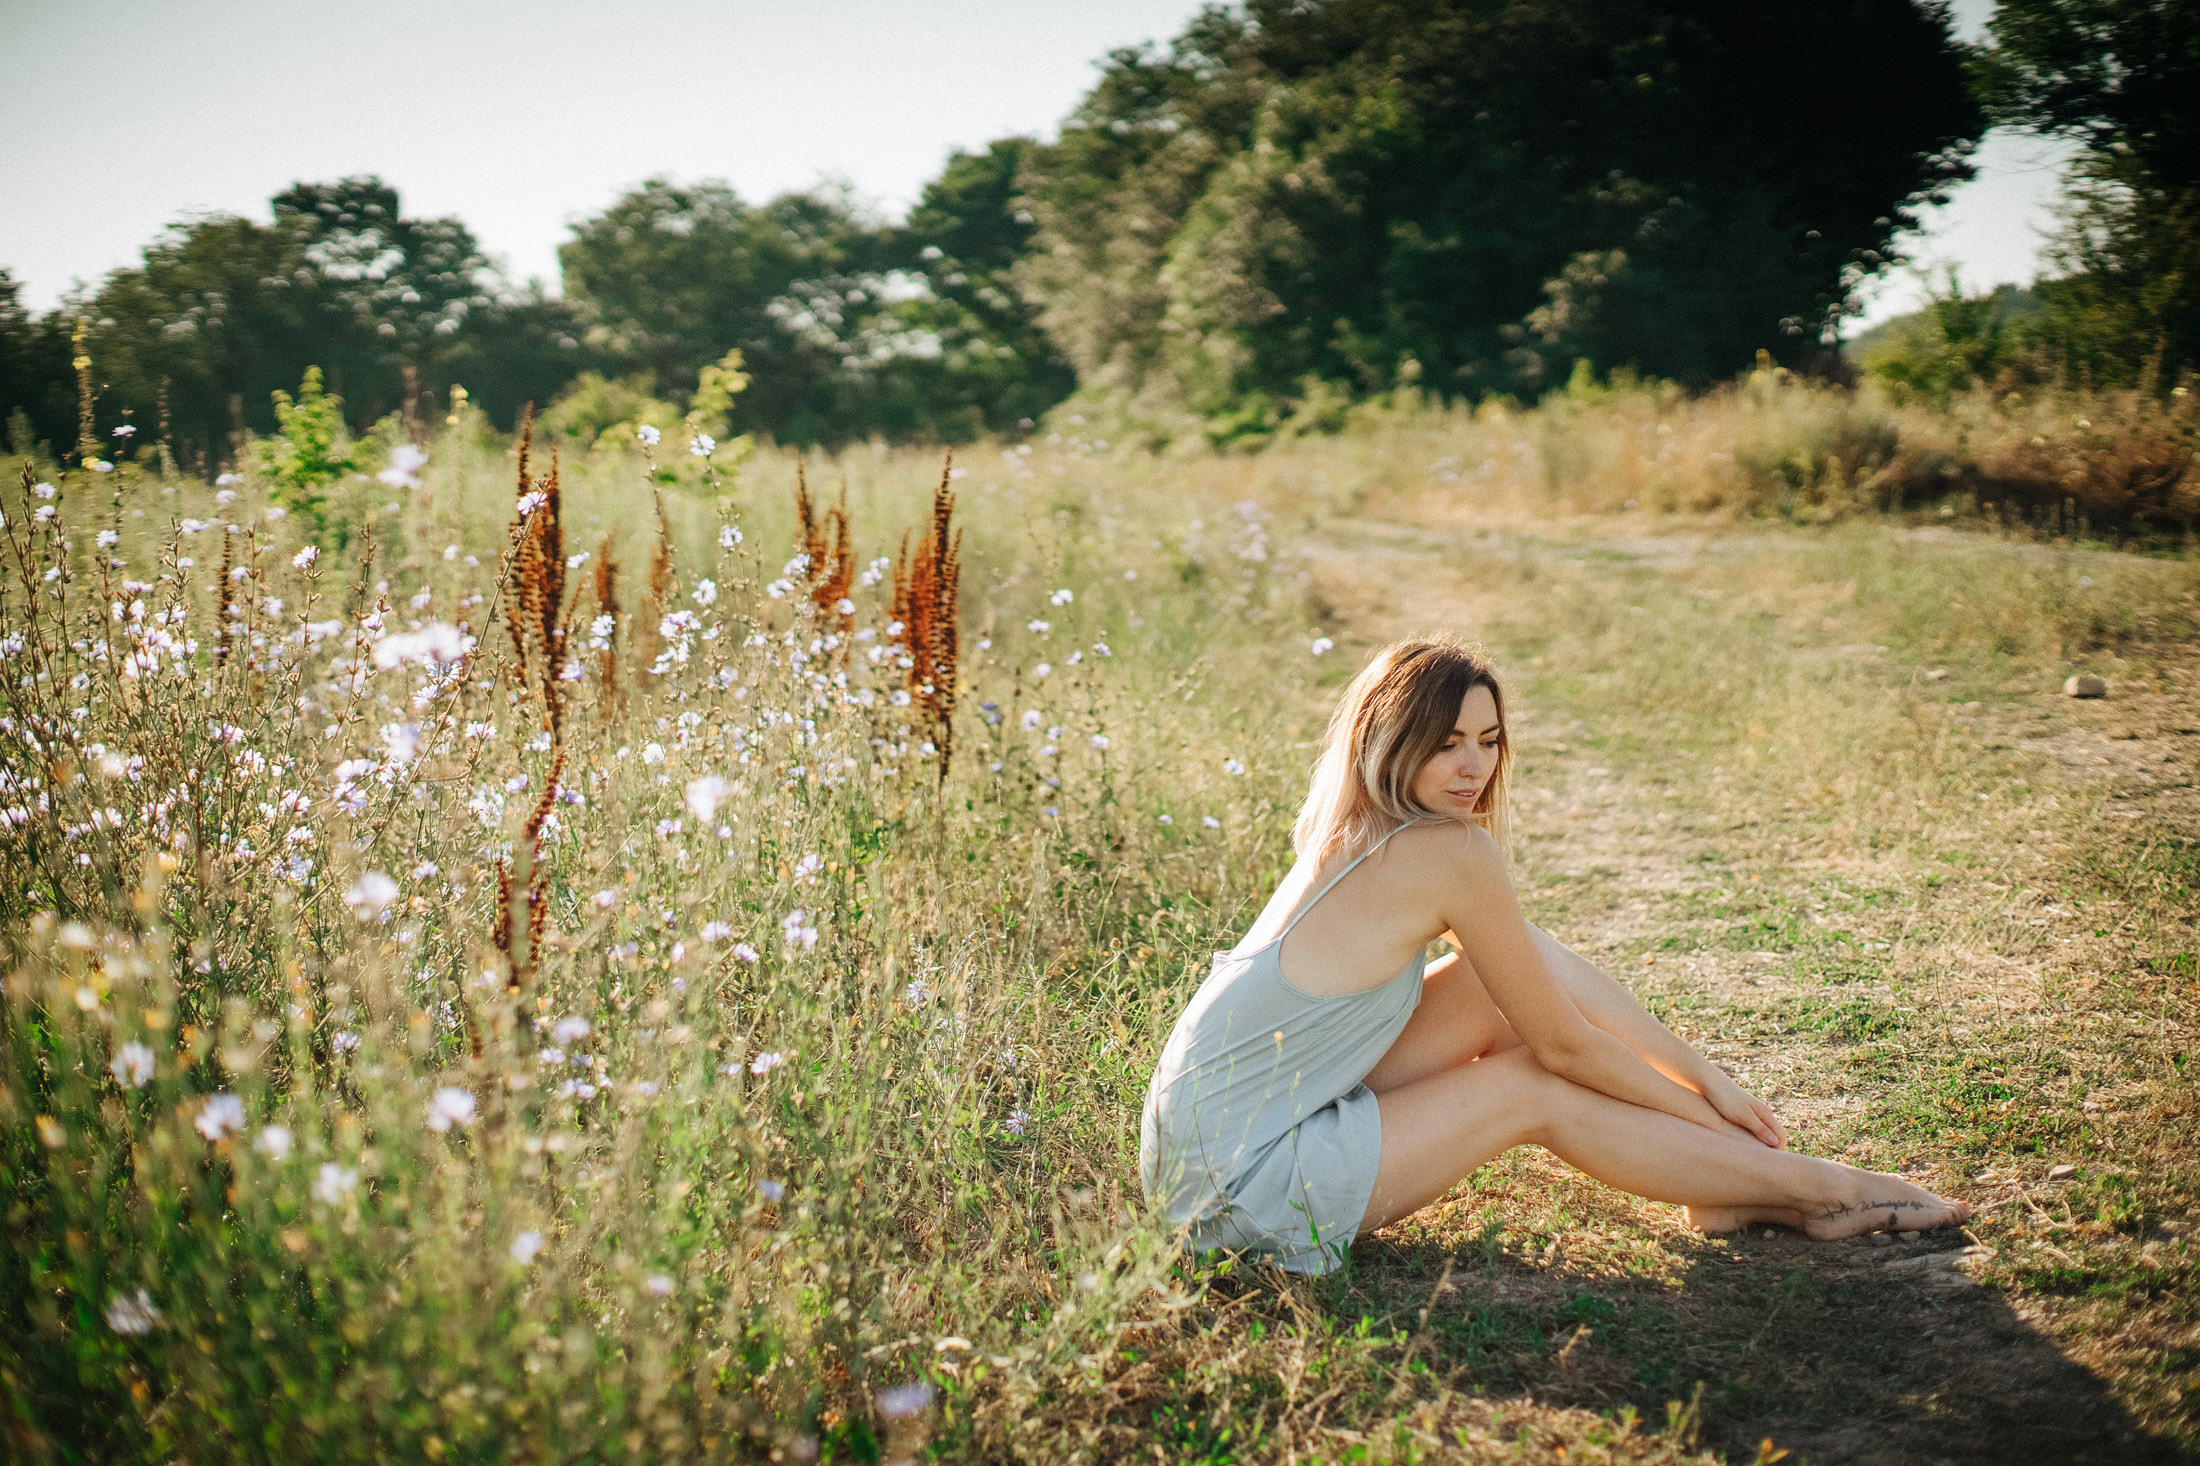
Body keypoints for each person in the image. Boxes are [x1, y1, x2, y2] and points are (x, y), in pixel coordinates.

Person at [1139, 637, 1969, 1275]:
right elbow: (1567, 1047)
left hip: (1211, 1151)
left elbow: (1533, 970)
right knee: (1532, 1084)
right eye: (1447, 743)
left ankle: (1724, 1189)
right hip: (1237, 1192)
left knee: (1506, 977)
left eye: (1489, 741)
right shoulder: (1441, 851)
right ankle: (1811, 1189)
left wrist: (1697, 1072)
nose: (1474, 767)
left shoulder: (1365, 833)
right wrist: (1712, 1122)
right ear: (1392, 741)